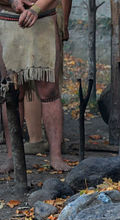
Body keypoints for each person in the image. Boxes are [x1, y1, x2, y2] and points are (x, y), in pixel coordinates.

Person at [0, 0, 71, 172]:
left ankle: (56, 156)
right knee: (12, 91)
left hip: (44, 19)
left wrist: (36, 9)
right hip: (8, 19)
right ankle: (12, 156)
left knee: (49, 91)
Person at [23, 0, 72, 155]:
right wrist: (64, 22)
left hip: (24, 16)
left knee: (32, 79)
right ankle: (41, 140)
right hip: (43, 16)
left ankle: (36, 139)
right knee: (45, 81)